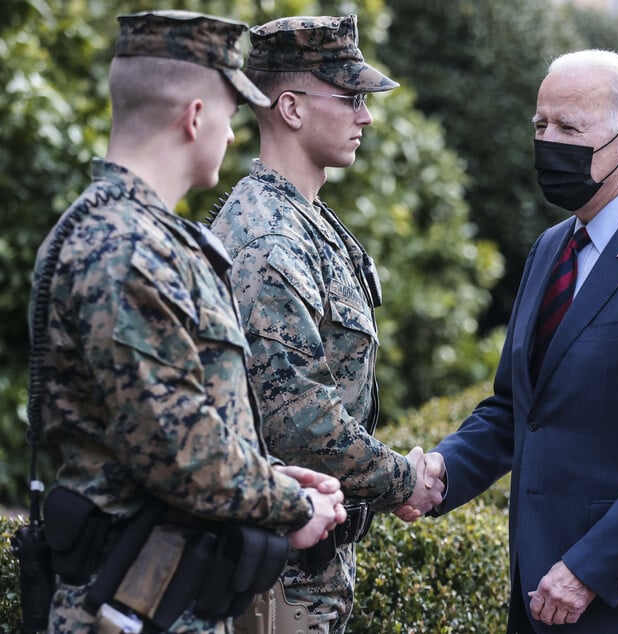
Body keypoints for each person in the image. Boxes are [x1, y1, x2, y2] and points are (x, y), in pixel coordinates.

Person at [33, 11, 346, 633]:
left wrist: (265, 473)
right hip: (126, 605)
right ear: (195, 116)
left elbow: (164, 425)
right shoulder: (126, 249)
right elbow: (179, 453)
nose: (233, 136)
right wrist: (292, 504)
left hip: (158, 598)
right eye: (231, 117)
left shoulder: (138, 235)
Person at [421, 49, 618, 633]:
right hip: (539, 591)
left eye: (569, 128)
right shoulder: (551, 248)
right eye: (541, 126)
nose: (549, 143)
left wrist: (590, 570)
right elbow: (517, 409)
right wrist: (441, 474)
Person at [207, 14, 444, 634]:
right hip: (278, 574)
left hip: (310, 568)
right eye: (352, 98)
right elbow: (295, 417)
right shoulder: (267, 237)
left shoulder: (303, 218)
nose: (365, 116)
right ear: (290, 107)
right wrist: (402, 481)